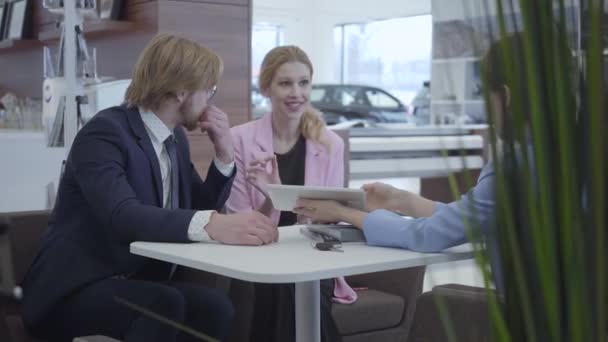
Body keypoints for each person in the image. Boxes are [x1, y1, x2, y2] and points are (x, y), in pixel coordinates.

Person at [20, 33, 278, 342]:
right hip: (75, 289)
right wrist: (214, 224)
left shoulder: (174, 140)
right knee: (164, 304)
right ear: (182, 91)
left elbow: (197, 206)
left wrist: (224, 154)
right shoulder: (105, 133)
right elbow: (122, 213)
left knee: (215, 307)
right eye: (208, 90)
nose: (210, 100)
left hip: (136, 283)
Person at [293, 33, 532, 290]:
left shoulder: (513, 166)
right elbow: (463, 220)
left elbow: (427, 235)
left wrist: (343, 213)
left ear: (506, 97)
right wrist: (399, 200)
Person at [225, 45, 353, 342]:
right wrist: (273, 197)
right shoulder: (239, 139)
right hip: (258, 256)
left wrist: (278, 192)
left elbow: (327, 223)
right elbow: (241, 225)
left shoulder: (330, 144)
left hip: (313, 256)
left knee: (296, 282)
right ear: (266, 88)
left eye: (303, 82)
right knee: (284, 282)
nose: (296, 92)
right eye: (285, 83)